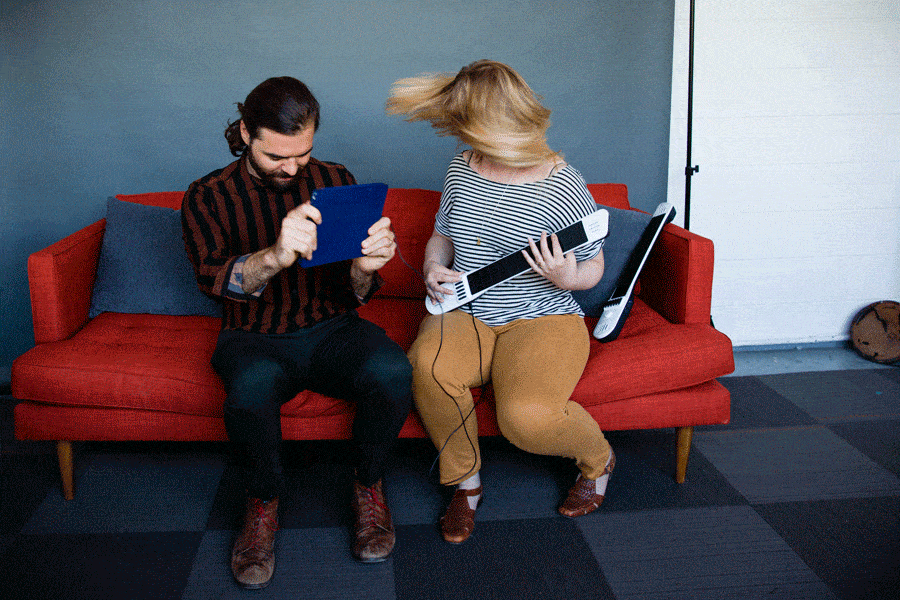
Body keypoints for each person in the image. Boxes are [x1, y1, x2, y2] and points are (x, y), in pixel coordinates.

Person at [182, 76, 412, 588]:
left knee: (394, 370)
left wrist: (367, 266)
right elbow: (213, 282)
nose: (291, 168)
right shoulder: (207, 196)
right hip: (253, 334)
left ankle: (368, 486)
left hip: (332, 327)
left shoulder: (336, 179)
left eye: (302, 155)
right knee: (251, 390)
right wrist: (275, 256)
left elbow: (357, 291)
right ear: (245, 133)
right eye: (276, 157)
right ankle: (263, 502)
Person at [386, 60, 615, 544]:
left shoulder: (563, 183)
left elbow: (594, 266)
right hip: (466, 310)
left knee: (525, 418)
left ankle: (599, 460)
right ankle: (465, 484)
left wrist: (567, 275)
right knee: (427, 366)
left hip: (544, 314)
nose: (462, 136)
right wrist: (432, 268)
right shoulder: (462, 166)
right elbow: (442, 235)